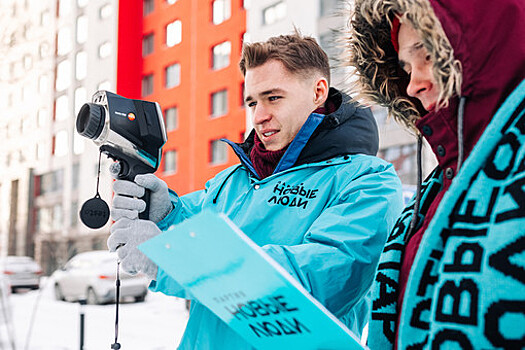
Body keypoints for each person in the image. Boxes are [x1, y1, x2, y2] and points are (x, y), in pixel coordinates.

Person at [108, 32, 403, 349]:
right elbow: (194, 229)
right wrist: (166, 214)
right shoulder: (232, 180)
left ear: (318, 92)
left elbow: (317, 282)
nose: (259, 116)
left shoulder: (368, 180)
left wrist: (175, 258)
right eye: (252, 102)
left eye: (273, 97)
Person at [347, 0, 525, 349]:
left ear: (478, 46)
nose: (412, 84)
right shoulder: (437, 188)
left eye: (426, 54)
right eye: (405, 67)